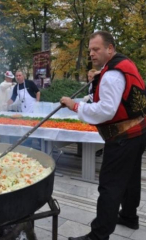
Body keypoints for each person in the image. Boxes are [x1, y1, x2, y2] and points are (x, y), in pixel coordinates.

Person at [60, 31, 146, 240]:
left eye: (96, 49)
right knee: (131, 177)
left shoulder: (112, 74)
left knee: (110, 185)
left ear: (110, 48)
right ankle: (128, 216)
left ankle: (98, 235)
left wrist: (75, 106)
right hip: (139, 131)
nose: (91, 53)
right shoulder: (122, 65)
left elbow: (106, 110)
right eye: (90, 49)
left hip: (123, 136)